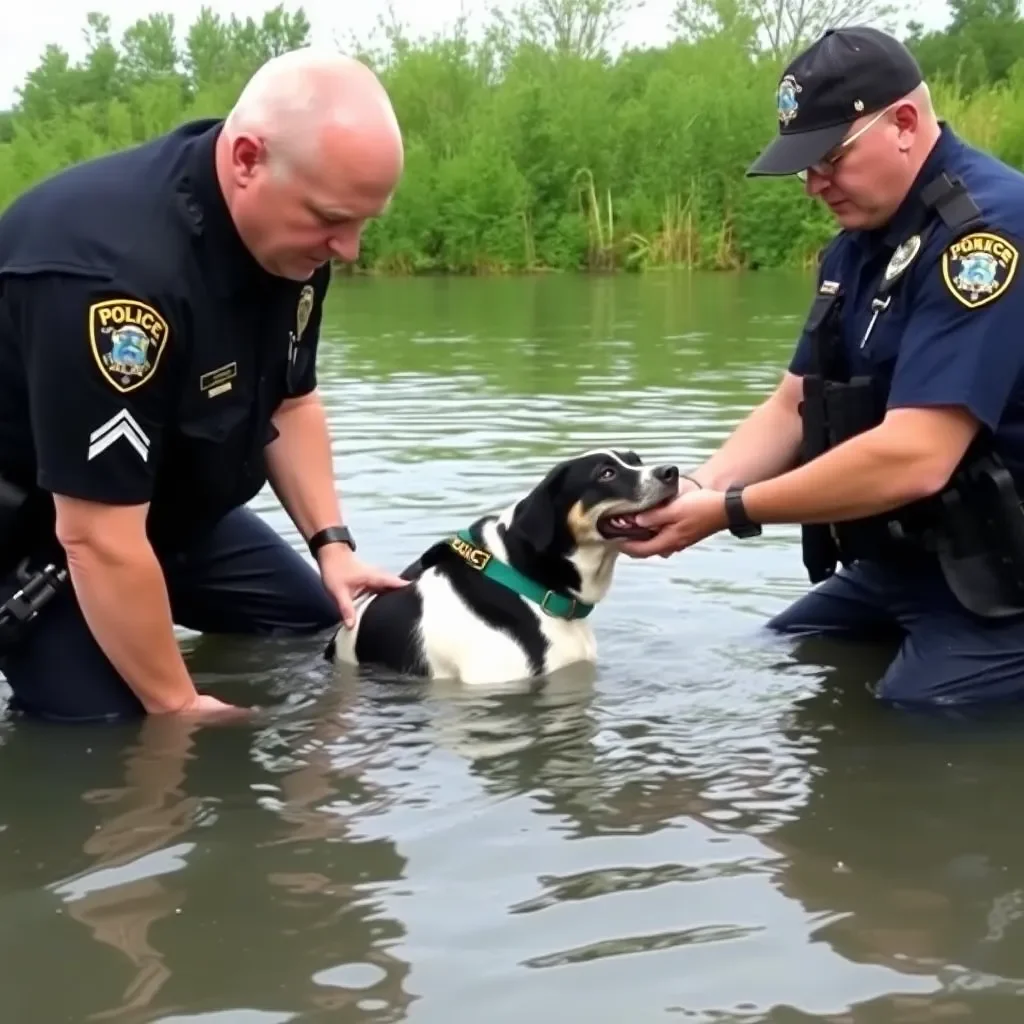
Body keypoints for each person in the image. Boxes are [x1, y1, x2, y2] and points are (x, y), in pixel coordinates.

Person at [0, 48, 410, 723]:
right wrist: (177, 704)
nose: (350, 249)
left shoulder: (294, 237)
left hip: (161, 511)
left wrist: (332, 546)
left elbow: (293, 399)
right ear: (247, 159)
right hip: (39, 535)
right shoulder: (112, 277)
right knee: (119, 736)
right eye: (334, 220)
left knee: (317, 629)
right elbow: (96, 536)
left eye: (365, 223)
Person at [622, 25, 1024, 707]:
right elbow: (792, 405)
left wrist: (729, 511)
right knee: (779, 656)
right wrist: (694, 487)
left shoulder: (986, 235)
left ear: (903, 123)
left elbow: (916, 457)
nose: (813, 185)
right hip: (920, 564)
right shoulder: (857, 246)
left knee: (912, 717)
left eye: (829, 158)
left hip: (1008, 578)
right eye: (803, 166)